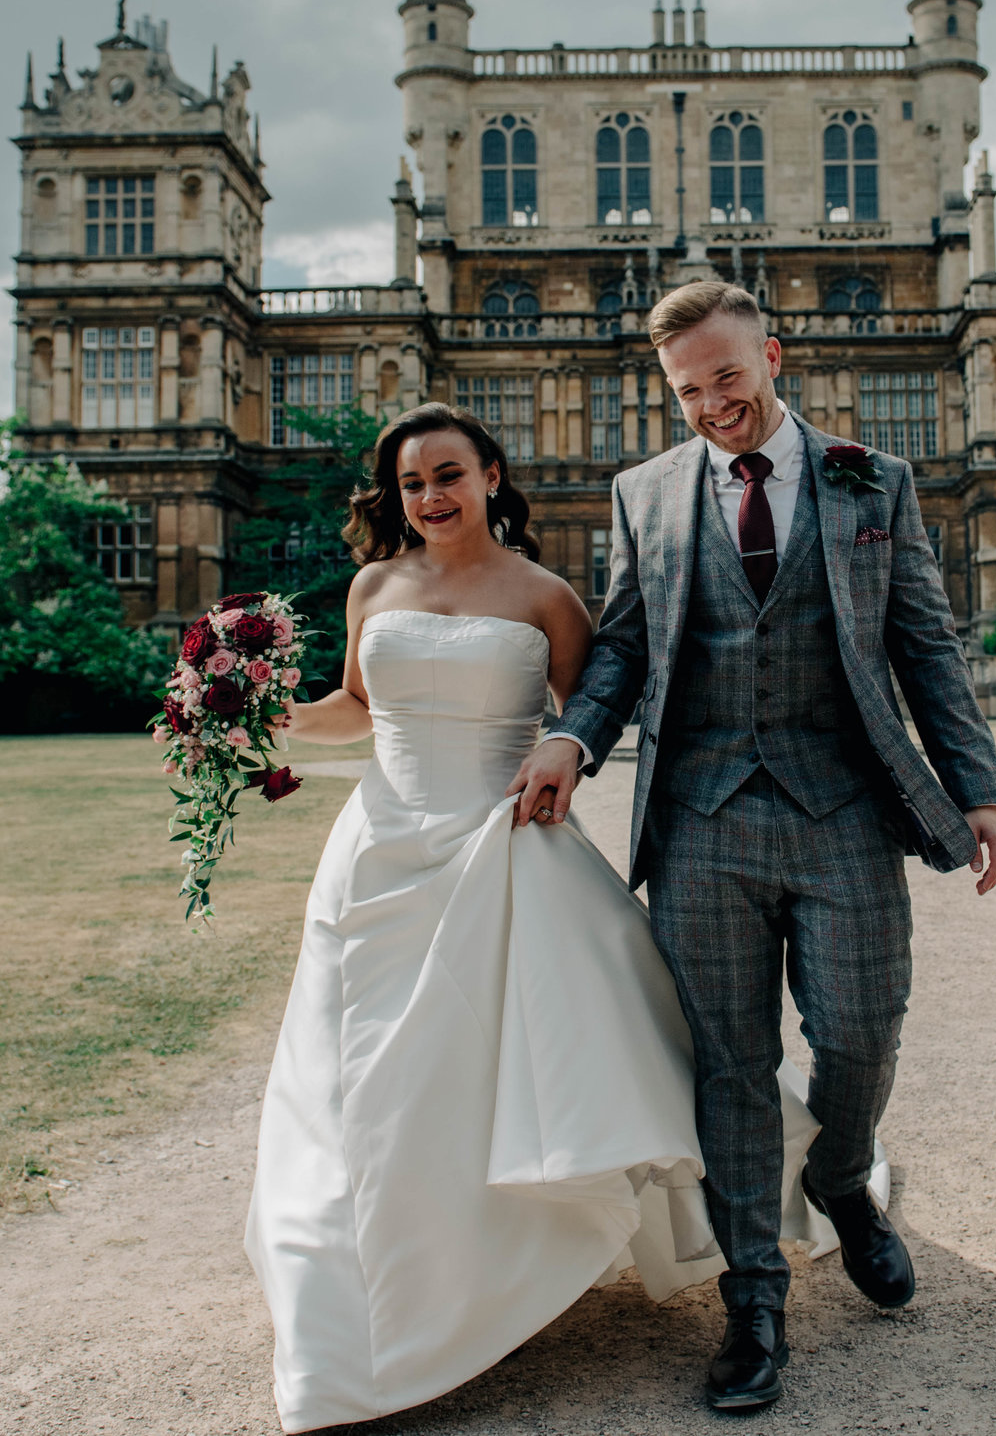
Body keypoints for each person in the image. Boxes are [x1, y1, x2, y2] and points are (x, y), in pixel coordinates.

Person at [244, 403, 864, 1432]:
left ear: (491, 474)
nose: (431, 497)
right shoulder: (373, 585)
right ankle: (367, 1302)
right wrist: (272, 715)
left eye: (449, 474)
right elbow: (357, 704)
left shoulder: (545, 594)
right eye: (411, 484)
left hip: (503, 843)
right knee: (366, 1076)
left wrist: (565, 753)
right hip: (379, 854)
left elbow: (600, 709)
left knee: (538, 1057)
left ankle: (513, 1263)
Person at [508, 280, 996, 1412]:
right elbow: (623, 648)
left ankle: (840, 1175)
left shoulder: (869, 478)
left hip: (841, 806)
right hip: (700, 821)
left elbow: (924, 642)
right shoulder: (643, 492)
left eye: (726, 378)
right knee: (729, 1067)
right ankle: (755, 1299)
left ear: (771, 355)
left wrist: (976, 789)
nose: (710, 405)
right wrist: (571, 740)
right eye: (687, 390)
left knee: (862, 1032)